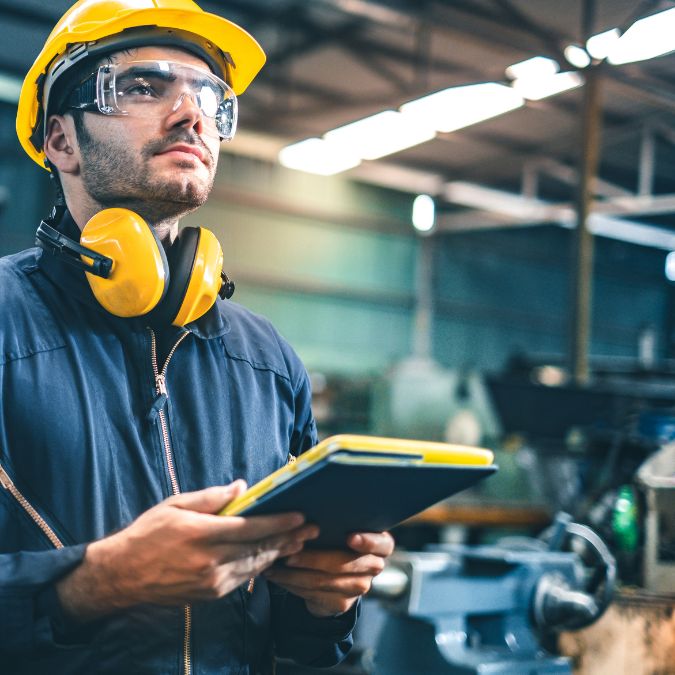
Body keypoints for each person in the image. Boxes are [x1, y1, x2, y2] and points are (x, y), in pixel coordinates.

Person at [0, 1, 394, 673]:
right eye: (144, 87)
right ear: (61, 140)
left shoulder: (265, 358)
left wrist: (327, 601)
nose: (191, 114)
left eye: (211, 97)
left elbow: (298, 646)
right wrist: (97, 582)